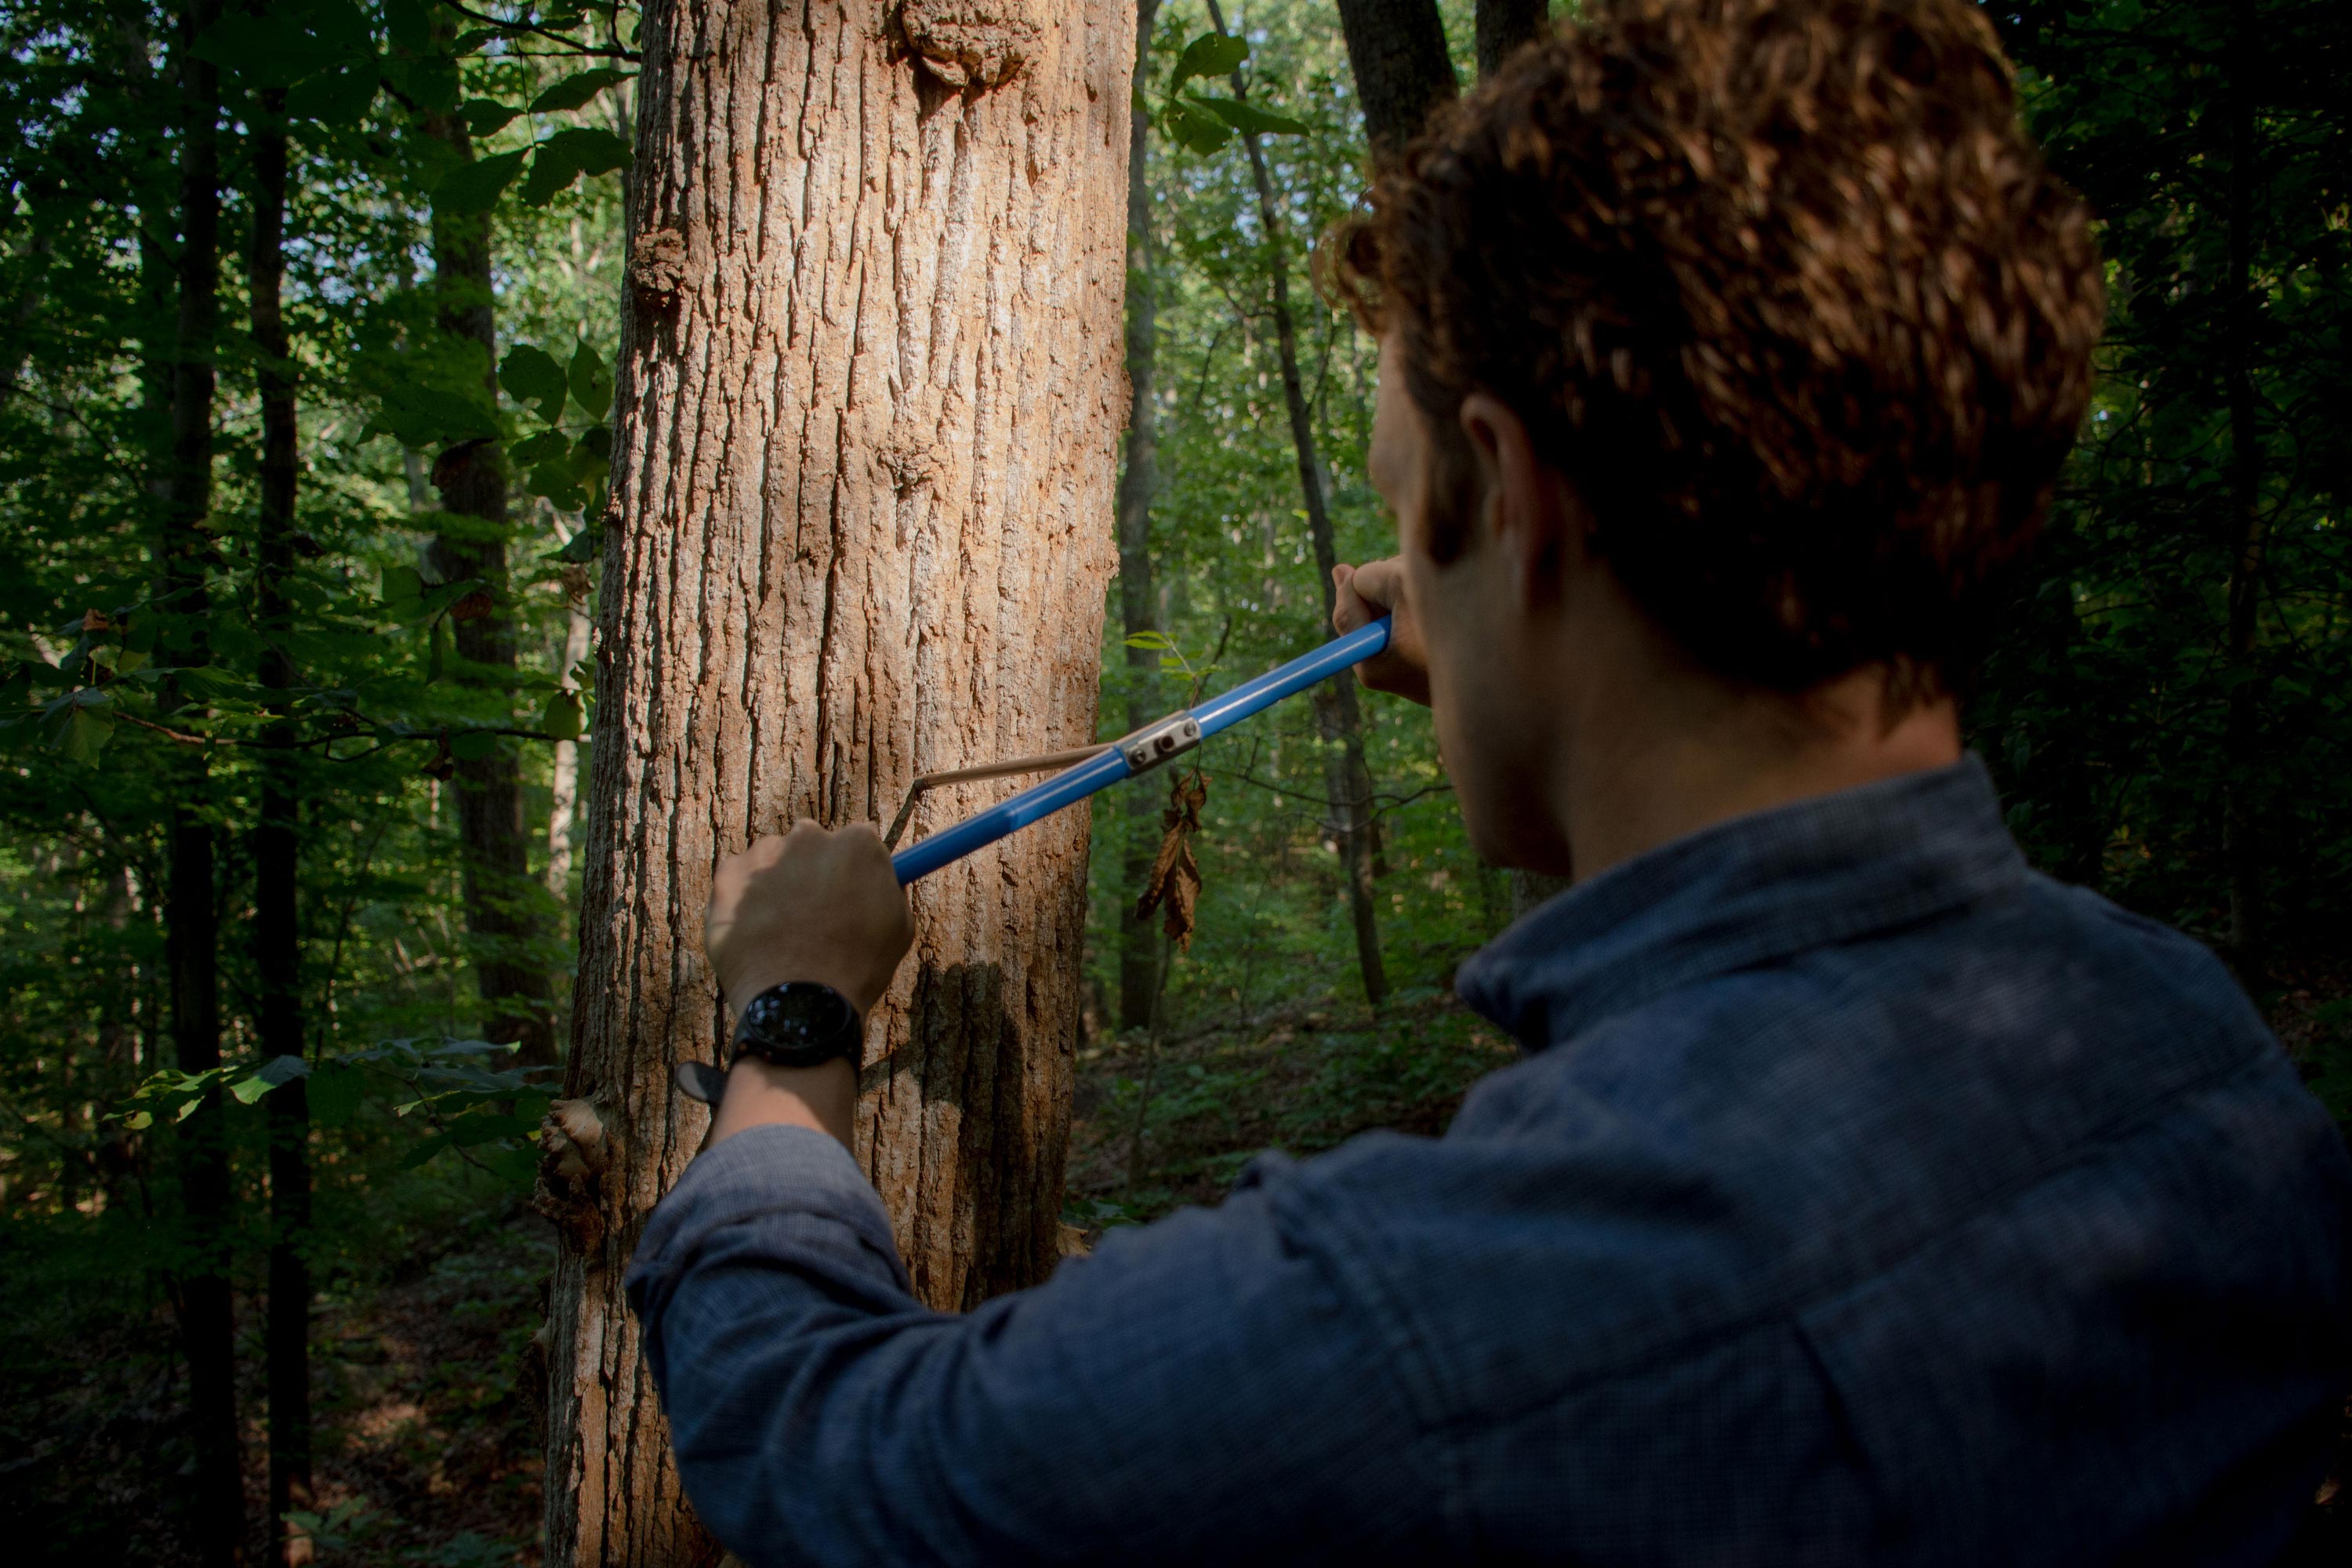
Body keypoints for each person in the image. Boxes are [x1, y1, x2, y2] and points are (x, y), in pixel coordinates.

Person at [624, 0, 2352, 1560]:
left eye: (1405, 506)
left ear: (1510, 495)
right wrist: (1526, 633)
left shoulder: (1444, 1315)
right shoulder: (2195, 1058)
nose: (1398, 573)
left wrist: (789, 1023)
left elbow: (832, 1452)